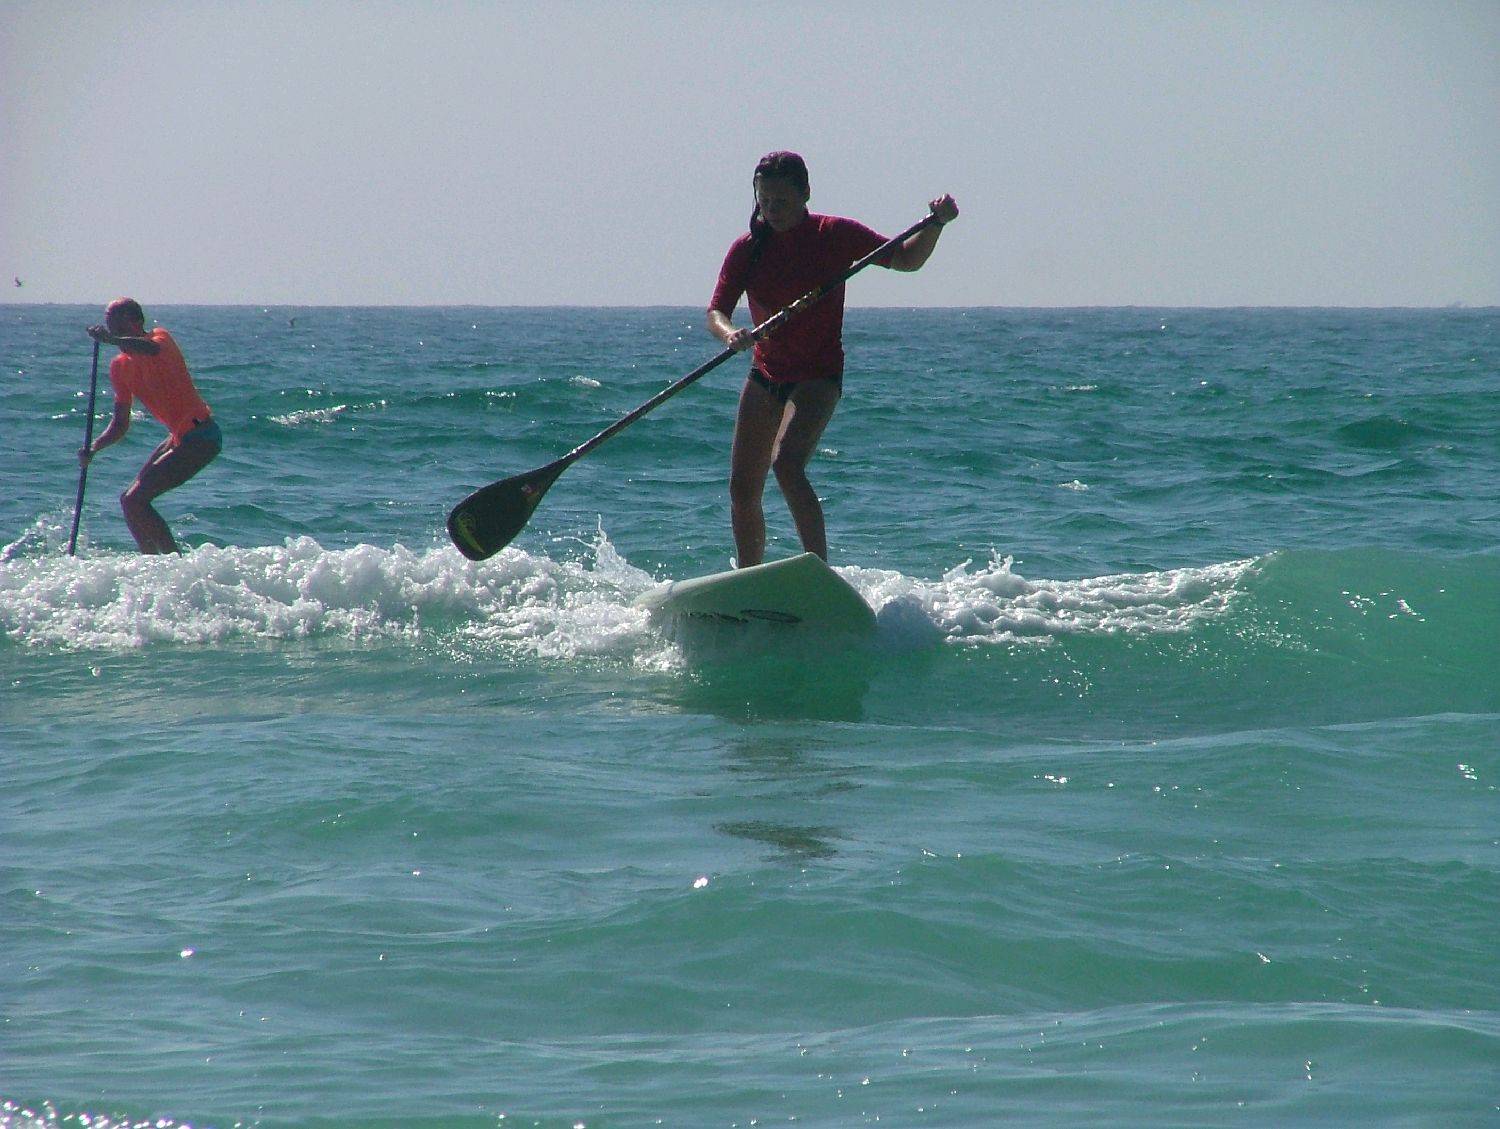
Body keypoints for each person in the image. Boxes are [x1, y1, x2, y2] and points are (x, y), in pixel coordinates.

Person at [707, 151, 957, 567]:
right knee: (742, 488)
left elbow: (906, 259)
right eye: (764, 201)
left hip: (818, 376)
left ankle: (816, 570)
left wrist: (936, 224)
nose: (771, 210)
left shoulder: (834, 234)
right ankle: (749, 578)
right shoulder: (748, 250)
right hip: (766, 372)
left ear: (805, 193)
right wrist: (730, 333)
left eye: (781, 201)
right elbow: (717, 311)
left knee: (787, 464)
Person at [81, 298, 221, 554]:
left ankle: (172, 562)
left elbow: (150, 349)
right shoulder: (119, 367)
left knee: (136, 501)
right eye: (109, 324)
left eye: (118, 324)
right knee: (128, 501)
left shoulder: (160, 339)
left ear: (137, 322)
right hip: (179, 437)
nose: (112, 329)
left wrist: (111, 340)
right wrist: (93, 448)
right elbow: (120, 423)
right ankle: (150, 562)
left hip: (202, 435)